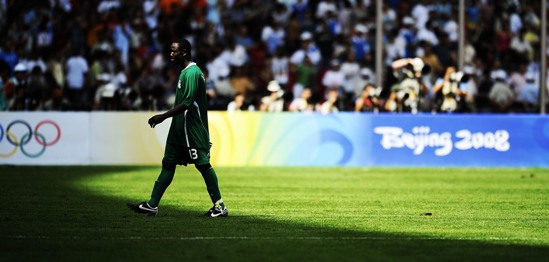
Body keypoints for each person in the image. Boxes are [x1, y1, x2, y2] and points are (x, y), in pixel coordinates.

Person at [128, 38, 228, 217]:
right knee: (168, 164)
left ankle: (220, 207)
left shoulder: (192, 73)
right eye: (170, 50)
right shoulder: (185, 73)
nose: (171, 54)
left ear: (184, 52)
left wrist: (163, 116)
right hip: (179, 129)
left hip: (191, 130)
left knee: (203, 165)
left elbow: (187, 103)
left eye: (174, 51)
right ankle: (152, 205)